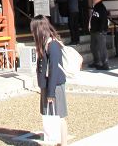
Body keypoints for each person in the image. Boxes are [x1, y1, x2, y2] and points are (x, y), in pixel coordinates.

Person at [31, 15, 68, 146]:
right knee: (51, 116)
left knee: (59, 117)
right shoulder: (45, 43)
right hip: (47, 85)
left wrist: (51, 93)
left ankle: (62, 143)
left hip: (55, 85)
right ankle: (55, 141)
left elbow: (54, 70)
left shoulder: (52, 45)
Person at [89, 0, 109, 70]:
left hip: (100, 31)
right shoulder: (95, 7)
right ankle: (96, 61)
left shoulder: (101, 7)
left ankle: (105, 64)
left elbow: (104, 20)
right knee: (93, 47)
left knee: (102, 48)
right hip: (94, 30)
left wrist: (101, 30)